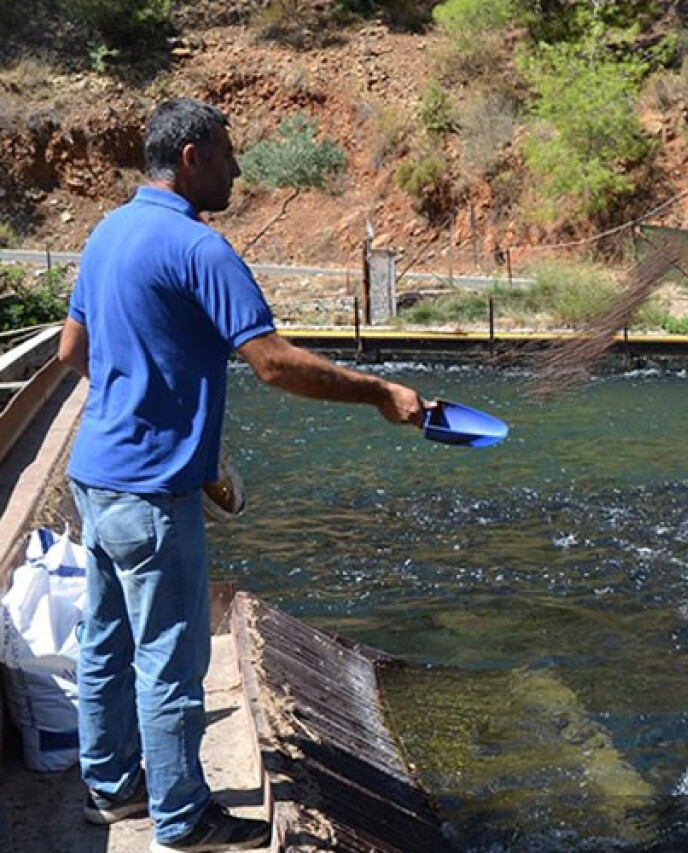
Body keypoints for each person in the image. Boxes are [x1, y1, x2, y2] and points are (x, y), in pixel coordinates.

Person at [57, 98, 429, 853]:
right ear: (192, 156)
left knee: (104, 640)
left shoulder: (105, 233)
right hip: (152, 491)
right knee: (170, 658)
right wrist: (381, 393)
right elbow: (273, 362)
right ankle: (184, 818)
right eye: (228, 153)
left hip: (93, 475)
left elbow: (72, 354)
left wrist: (141, 404)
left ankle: (109, 787)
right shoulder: (202, 249)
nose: (237, 168)